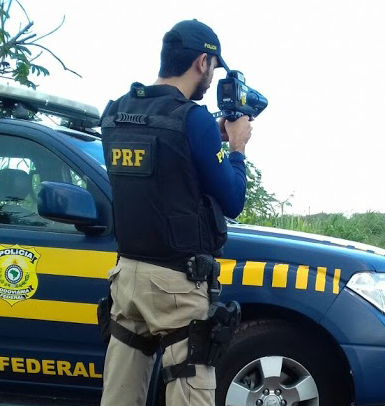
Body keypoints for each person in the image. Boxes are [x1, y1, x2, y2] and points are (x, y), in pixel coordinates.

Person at [99, 19, 252, 406]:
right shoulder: (192, 118)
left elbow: (159, 174)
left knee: (119, 395)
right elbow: (233, 199)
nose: (211, 76)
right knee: (189, 390)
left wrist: (204, 141)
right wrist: (236, 147)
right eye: (213, 68)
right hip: (175, 285)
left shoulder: (116, 112)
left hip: (126, 277)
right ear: (203, 62)